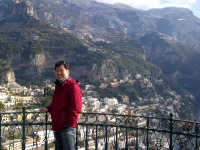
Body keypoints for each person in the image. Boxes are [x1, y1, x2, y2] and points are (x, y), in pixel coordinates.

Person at [40, 61, 82, 150]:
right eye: (57, 70)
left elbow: (77, 107)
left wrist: (68, 124)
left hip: (67, 128)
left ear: (68, 71)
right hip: (57, 126)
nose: (59, 73)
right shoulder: (58, 86)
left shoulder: (73, 86)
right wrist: (48, 108)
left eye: (61, 70)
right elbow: (56, 103)